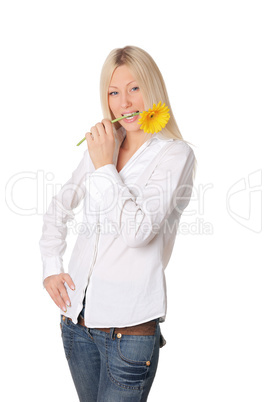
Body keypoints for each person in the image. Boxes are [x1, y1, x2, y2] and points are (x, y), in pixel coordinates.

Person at [39, 45, 196, 402]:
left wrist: (105, 166)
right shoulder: (105, 143)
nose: (124, 103)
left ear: (153, 88)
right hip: (76, 324)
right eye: (113, 92)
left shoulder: (175, 154)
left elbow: (138, 232)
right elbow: (60, 205)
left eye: (134, 88)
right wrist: (51, 266)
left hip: (130, 332)